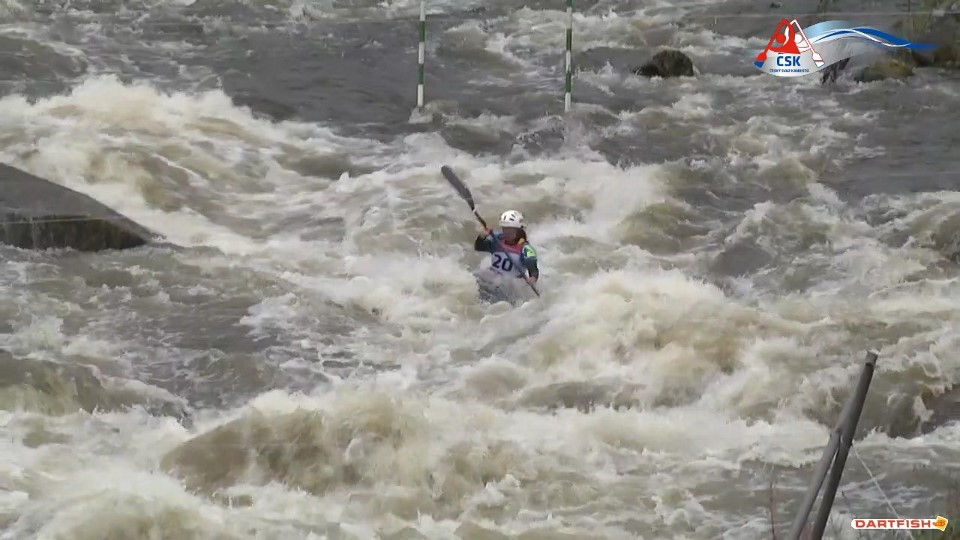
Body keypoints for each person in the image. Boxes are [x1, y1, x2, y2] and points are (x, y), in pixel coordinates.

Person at [474, 210, 539, 288]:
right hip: (492, 280)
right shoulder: (498, 240)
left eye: (510, 229)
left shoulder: (526, 249)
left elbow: (533, 271)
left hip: (508, 287)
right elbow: (478, 247)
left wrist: (532, 279)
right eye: (505, 229)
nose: (507, 232)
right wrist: (482, 237)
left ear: (519, 230)